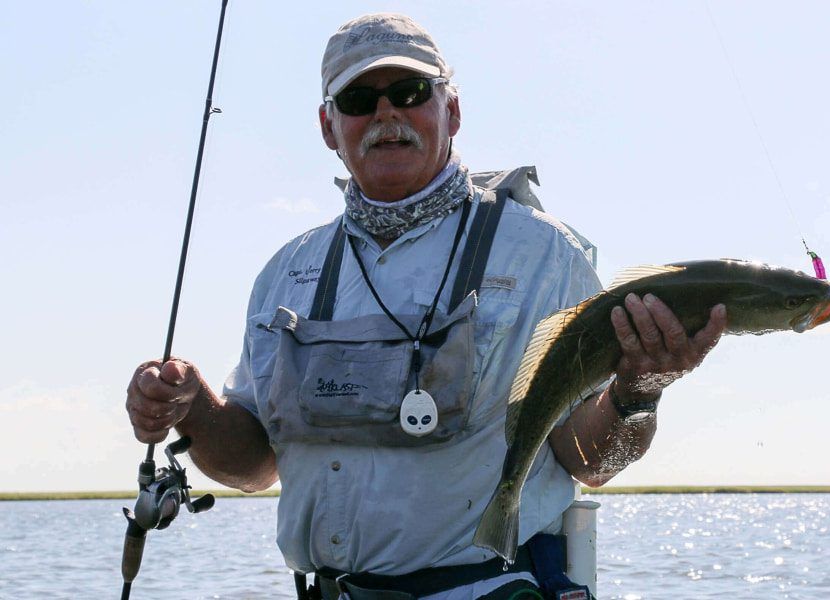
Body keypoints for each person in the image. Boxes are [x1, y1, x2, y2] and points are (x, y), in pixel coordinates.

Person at [126, 13, 726, 600]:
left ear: (452, 111)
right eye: (359, 99)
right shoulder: (285, 273)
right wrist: (194, 409)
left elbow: (585, 459)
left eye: (410, 92)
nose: (386, 113)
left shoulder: (545, 254)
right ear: (329, 127)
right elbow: (256, 467)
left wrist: (639, 390)